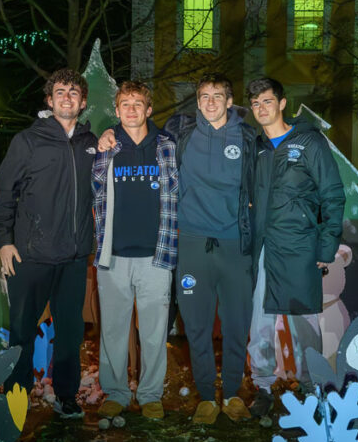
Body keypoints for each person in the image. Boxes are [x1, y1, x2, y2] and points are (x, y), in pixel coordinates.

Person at [100, 73, 255, 424]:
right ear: (197, 101)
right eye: (204, 96)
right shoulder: (181, 134)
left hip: (234, 245)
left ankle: (231, 393)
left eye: (218, 96)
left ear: (230, 102)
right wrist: (107, 132)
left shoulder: (246, 137)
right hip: (191, 244)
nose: (211, 102)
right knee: (196, 325)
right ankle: (204, 396)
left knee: (235, 324)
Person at [0, 69, 98, 420]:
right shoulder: (28, 141)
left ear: (82, 102)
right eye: (60, 91)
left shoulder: (90, 142)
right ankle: (16, 394)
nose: (67, 97)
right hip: (30, 254)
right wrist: (4, 241)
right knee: (22, 330)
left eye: (73, 92)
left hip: (72, 256)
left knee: (69, 332)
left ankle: (66, 396)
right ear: (49, 100)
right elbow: (5, 193)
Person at [245, 77, 345, 417]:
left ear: (282, 103)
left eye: (267, 101)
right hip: (262, 250)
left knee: (305, 326)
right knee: (259, 323)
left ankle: (314, 390)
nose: (261, 109)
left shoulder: (309, 142)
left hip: (299, 247)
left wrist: (325, 248)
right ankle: (261, 387)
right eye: (256, 103)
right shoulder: (256, 147)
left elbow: (332, 194)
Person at [92, 81, 178, 420]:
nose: (131, 109)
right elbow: (93, 191)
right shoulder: (105, 147)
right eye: (125, 103)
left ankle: (150, 395)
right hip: (112, 255)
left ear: (149, 109)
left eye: (138, 103)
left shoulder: (167, 146)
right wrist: (103, 140)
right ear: (116, 110)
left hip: (156, 255)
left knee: (155, 332)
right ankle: (115, 392)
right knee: (112, 330)